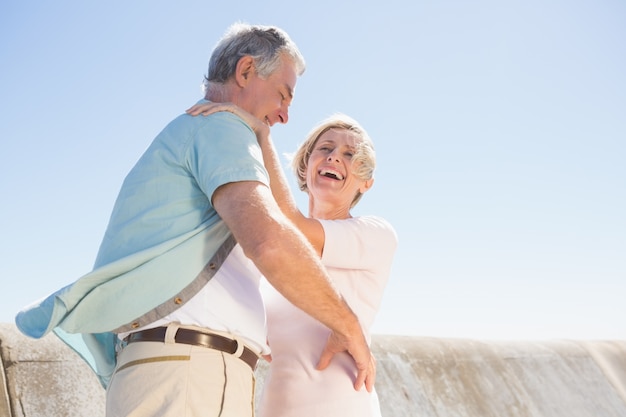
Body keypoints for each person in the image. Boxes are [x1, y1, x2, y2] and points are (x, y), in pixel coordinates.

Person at [14, 22, 376, 417]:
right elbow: (272, 241)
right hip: (190, 373)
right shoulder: (222, 127)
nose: (286, 115)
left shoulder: (195, 131)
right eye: (283, 95)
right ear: (245, 72)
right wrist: (349, 326)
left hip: (177, 370)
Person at [187, 102, 398, 416]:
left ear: (365, 182)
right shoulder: (277, 261)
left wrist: (261, 133)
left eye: (350, 154)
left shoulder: (376, 235)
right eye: (324, 148)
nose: (334, 156)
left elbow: (291, 225)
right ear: (305, 165)